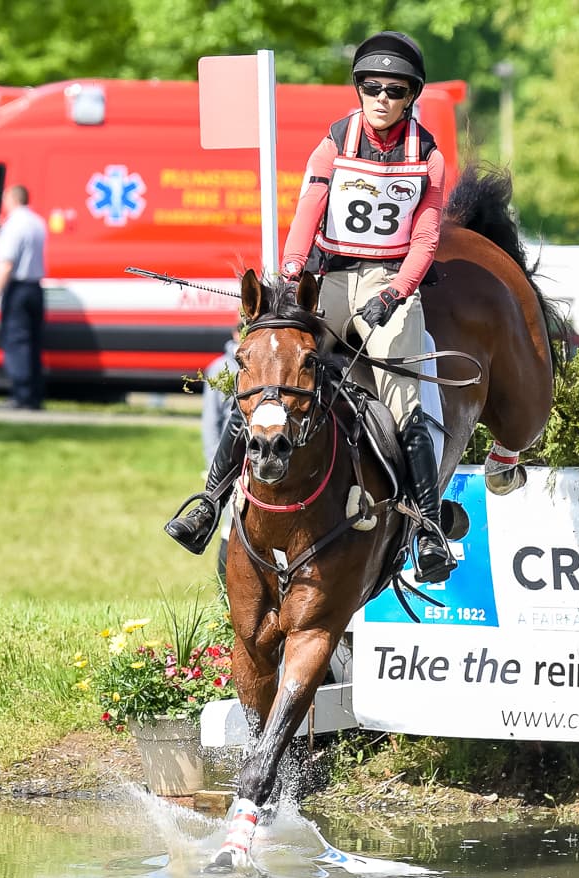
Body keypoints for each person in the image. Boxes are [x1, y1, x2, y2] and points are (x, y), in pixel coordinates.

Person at [165, 30, 455, 583]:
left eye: (395, 90)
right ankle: (208, 502)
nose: (382, 98)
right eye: (371, 87)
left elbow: (425, 238)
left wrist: (396, 294)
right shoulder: (334, 143)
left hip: (389, 282)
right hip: (326, 278)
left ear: (411, 95)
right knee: (269, 378)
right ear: (358, 88)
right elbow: (307, 213)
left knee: (404, 401)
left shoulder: (430, 159)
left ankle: (426, 528)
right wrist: (292, 271)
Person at [0, 185, 47, 410]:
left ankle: (21, 395)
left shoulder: (14, 225)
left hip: (18, 289)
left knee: (17, 342)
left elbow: (6, 263)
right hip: (35, 287)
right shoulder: (37, 222)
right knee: (34, 343)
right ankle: (34, 394)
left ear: (11, 199)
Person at [202, 330, 240, 580]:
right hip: (230, 459)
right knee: (230, 528)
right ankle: (224, 599)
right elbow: (211, 421)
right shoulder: (220, 368)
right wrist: (214, 467)